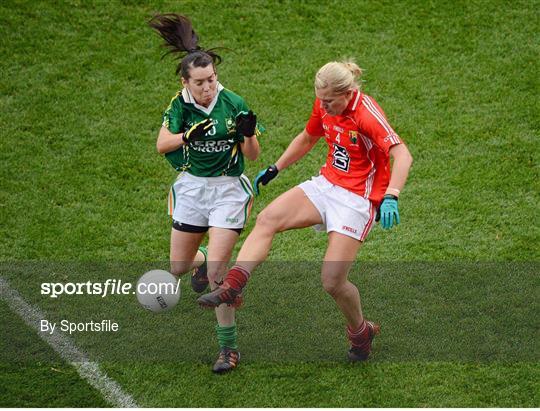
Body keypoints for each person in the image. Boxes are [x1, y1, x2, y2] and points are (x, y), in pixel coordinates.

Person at [198, 60, 413, 361]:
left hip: (357, 199)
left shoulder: (366, 113)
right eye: (319, 99)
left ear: (348, 93)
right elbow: (308, 137)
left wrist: (391, 196)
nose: (323, 107)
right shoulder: (324, 105)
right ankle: (233, 285)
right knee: (268, 218)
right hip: (327, 185)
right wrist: (276, 167)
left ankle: (361, 332)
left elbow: (402, 153)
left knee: (333, 281)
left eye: (329, 101)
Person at [149, 13, 262, 373]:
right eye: (200, 82)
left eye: (211, 79)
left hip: (228, 190)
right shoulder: (179, 105)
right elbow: (161, 144)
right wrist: (188, 137)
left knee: (218, 274)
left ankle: (228, 349)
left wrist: (247, 134)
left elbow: (253, 156)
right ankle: (198, 266)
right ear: (186, 81)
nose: (208, 87)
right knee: (179, 267)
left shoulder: (233, 102)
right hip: (193, 190)